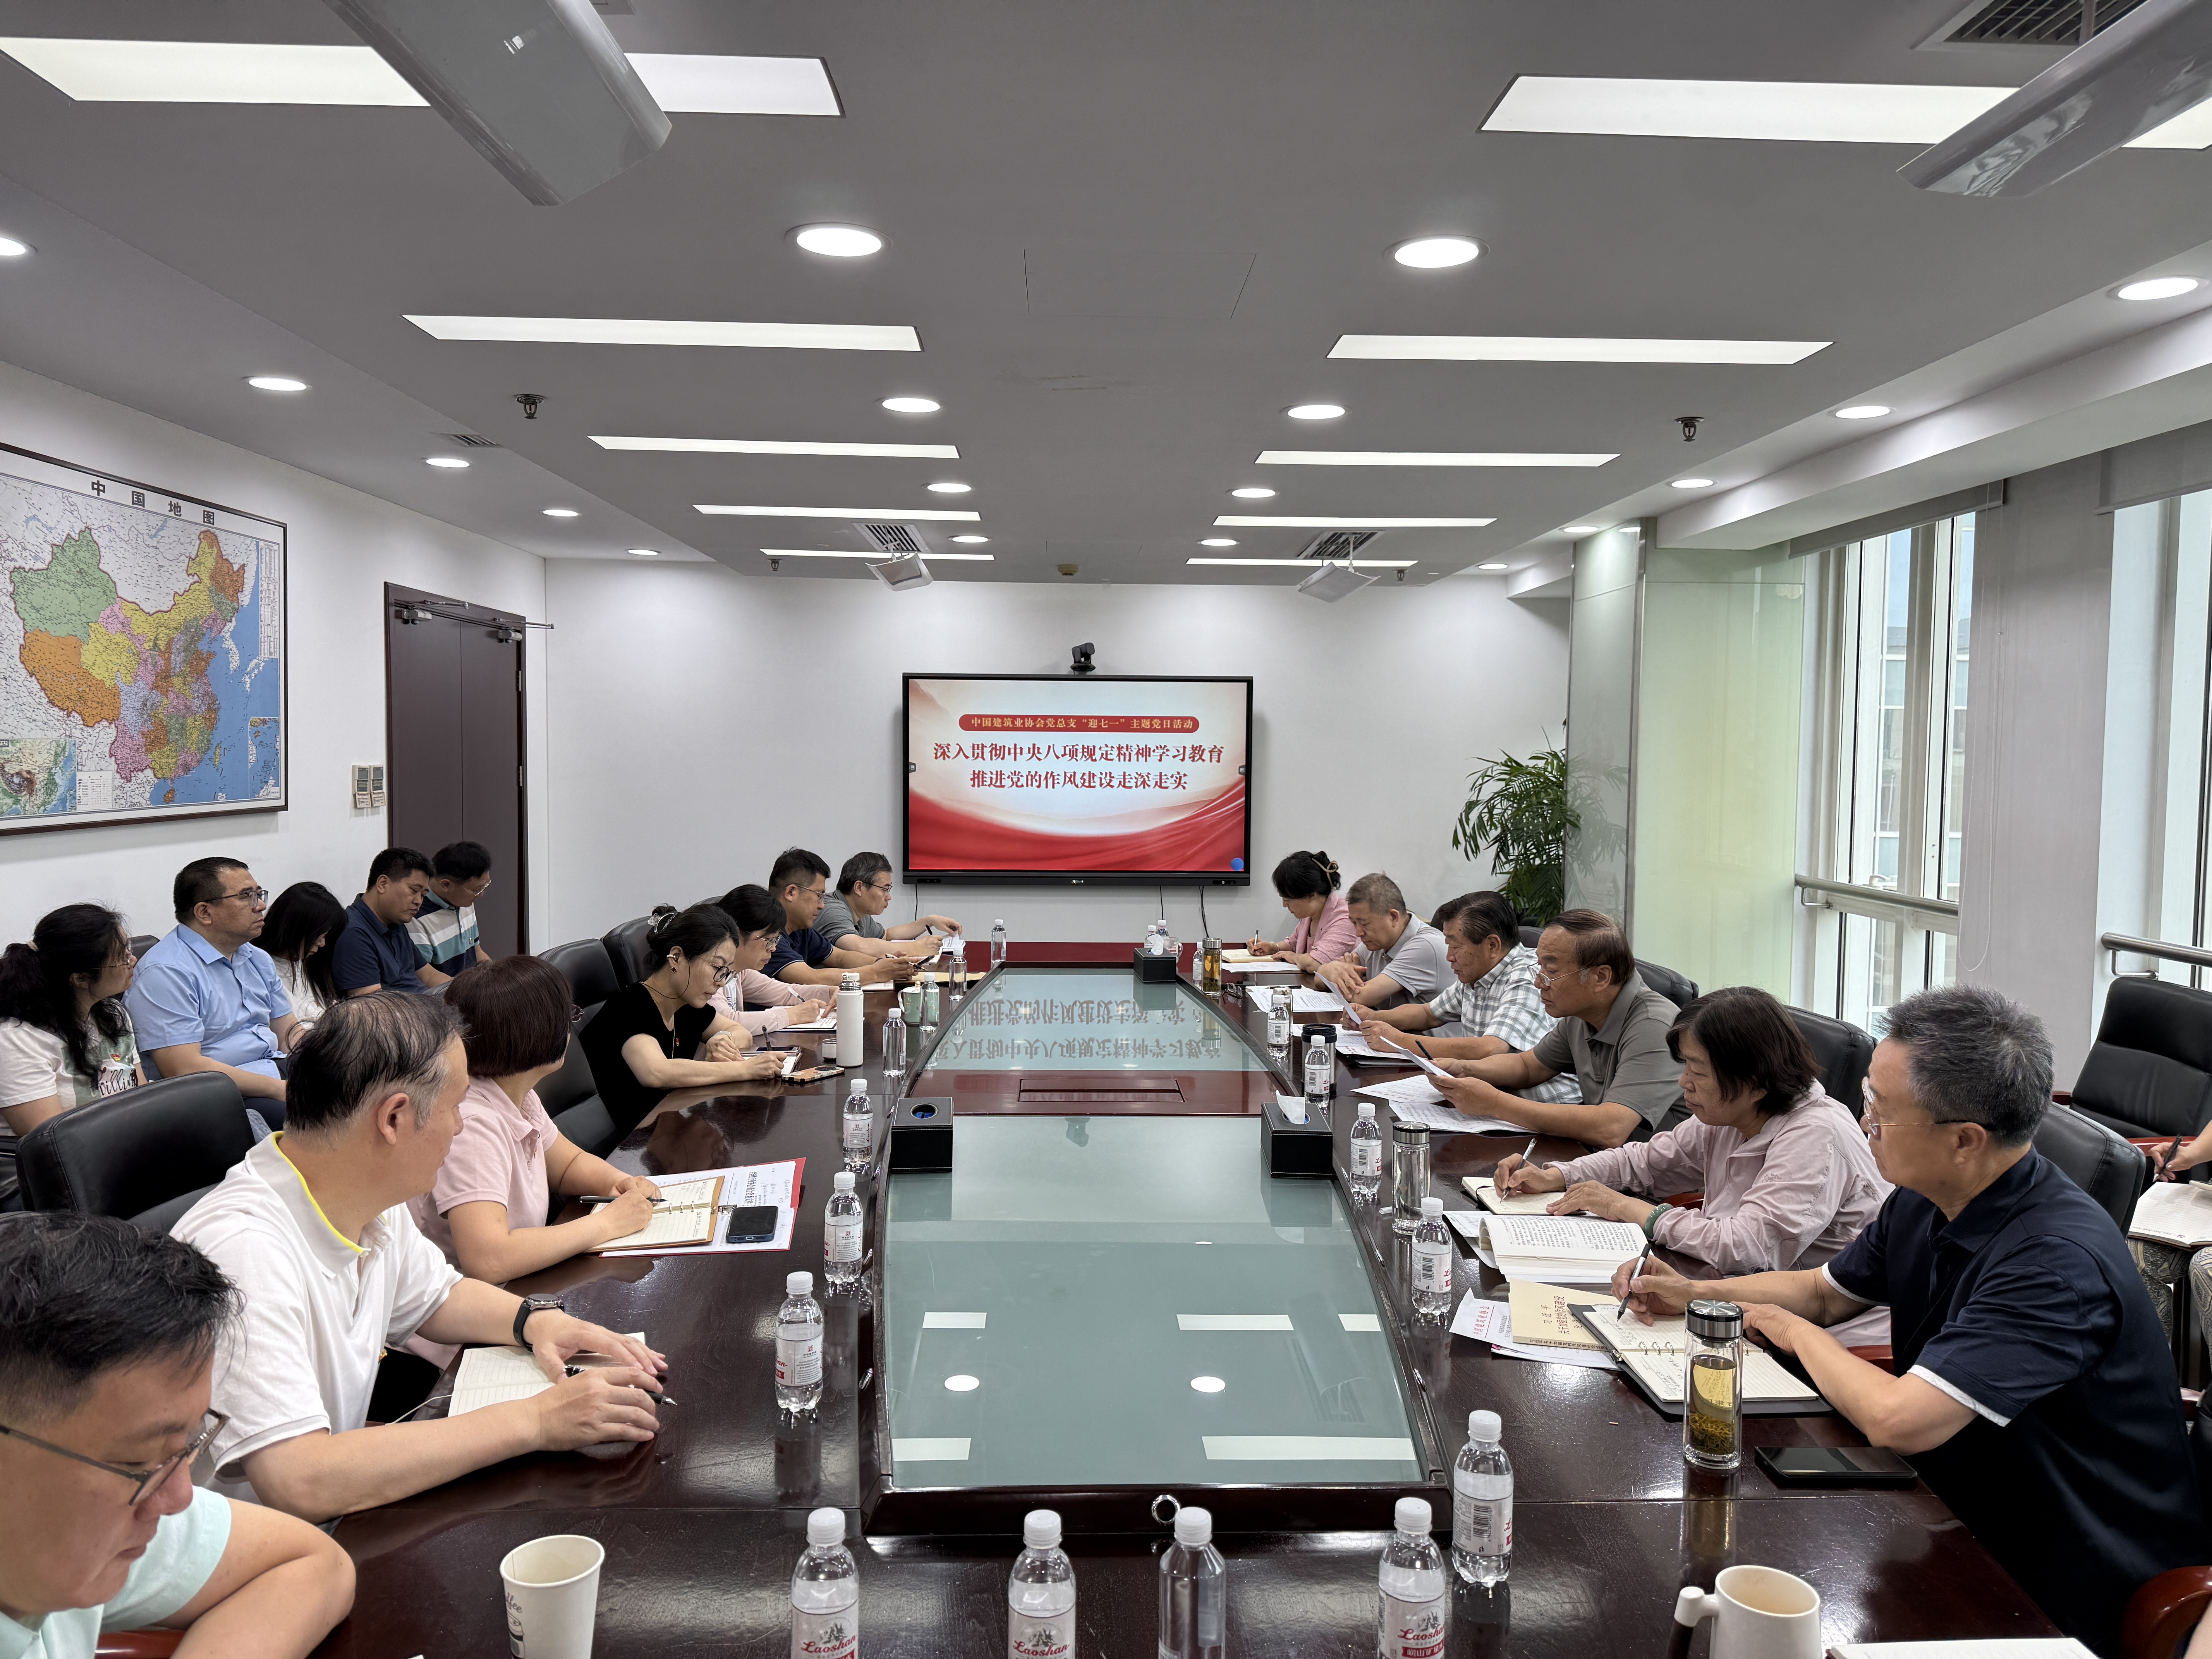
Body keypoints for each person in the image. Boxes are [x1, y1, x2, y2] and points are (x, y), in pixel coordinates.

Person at [1619, 986, 2210, 1656]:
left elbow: (1899, 1418)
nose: (1862, 1119)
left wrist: (1790, 1330)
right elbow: (1822, 1292)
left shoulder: (2053, 1261)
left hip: (2063, 1572)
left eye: (1880, 1109)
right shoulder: (1929, 1196)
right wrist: (1697, 1292)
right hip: (1948, 1505)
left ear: (1964, 1139)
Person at [172, 993, 666, 1522]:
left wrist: (535, 1321)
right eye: (456, 1107)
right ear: (394, 1118)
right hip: (251, 1546)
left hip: (333, 1513)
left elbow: (438, 1298)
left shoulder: (367, 1196)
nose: (460, 1127)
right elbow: (300, 1479)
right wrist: (536, 1422)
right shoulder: (244, 1251)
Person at [0, 1211, 355, 1657]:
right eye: (136, 1461)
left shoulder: (65, 1531)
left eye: (185, 1447)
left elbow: (313, 1561)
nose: (180, 1498)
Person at [1495, 986, 1889, 1288]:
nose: (1684, 1082)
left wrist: (1633, 1210)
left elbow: (1745, 1249)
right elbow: (1644, 1162)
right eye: (1685, 1066)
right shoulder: (1732, 1112)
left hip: (1820, 1330)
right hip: (1733, 1292)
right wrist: (1557, 1176)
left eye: (1697, 1071)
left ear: (1755, 1082)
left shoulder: (1817, 1136)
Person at [407, 957, 663, 1279]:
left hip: (523, 1277)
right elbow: (488, 1260)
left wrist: (619, 1182)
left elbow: (567, 1165)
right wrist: (607, 1224)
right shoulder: (470, 1123)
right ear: (537, 1034)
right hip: (476, 1296)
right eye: (568, 1016)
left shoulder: (518, 1094)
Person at [1429, 908, 1685, 1147]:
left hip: (1657, 1177)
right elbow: (1529, 1066)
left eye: (1551, 971)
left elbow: (1611, 1128)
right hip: (1602, 1160)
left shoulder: (1655, 1026)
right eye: (1539, 966)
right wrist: (1465, 1068)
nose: (1539, 983)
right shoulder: (1583, 1013)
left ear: (1600, 977)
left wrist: (1494, 1103)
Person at [580, 904, 788, 1136]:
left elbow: (742, 1033)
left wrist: (721, 1039)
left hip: (667, 1128)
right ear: (677, 957)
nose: (721, 982)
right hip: (624, 1145)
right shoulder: (629, 1007)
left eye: (727, 972)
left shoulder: (686, 1005)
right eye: (717, 967)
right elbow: (657, 1073)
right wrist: (745, 1069)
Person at [1358, 891, 1577, 1104]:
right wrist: (1372, 1017)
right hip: (1492, 1099)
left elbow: (1492, 1048)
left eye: (1456, 947)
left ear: (1492, 946)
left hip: (1544, 1109)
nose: (1449, 957)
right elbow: (1428, 1014)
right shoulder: (1477, 973)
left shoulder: (1526, 976)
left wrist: (1398, 1041)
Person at [125, 859, 297, 1119]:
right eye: (246, 897)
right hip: (218, 1096)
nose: (261, 906)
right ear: (205, 913)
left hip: (276, 1071)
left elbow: (288, 1034)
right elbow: (184, 1069)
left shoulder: (256, 958)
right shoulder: (165, 972)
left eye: (259, 894)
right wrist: (280, 1089)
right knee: (320, 1118)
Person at [0, 906, 145, 1207]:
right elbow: (51, 1142)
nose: (133, 961)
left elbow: (141, 1094)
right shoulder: (17, 1039)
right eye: (121, 957)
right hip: (39, 1174)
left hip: (115, 1147)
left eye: (129, 949)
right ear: (80, 978)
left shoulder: (111, 1013)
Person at [763, 848, 916, 988]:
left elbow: (840, 957)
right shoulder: (767, 932)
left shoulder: (801, 930)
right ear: (791, 893)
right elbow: (810, 977)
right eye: (819, 896)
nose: (822, 905)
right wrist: (877, 972)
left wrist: (882, 963)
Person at [1310, 872, 1453, 1011]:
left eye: (1365, 924)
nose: (1359, 933)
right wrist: (1332, 969)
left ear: (1393, 917)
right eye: (1354, 923)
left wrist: (1343, 980)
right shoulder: (1377, 942)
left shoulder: (1425, 945)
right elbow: (1319, 980)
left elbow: (1363, 997)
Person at [714, 885, 835, 1032]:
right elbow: (727, 1022)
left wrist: (830, 992)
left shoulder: (739, 972)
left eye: (776, 940)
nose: (773, 948)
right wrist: (793, 1015)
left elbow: (785, 993)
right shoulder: (710, 972)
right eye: (769, 940)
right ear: (737, 933)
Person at [814, 853, 960, 961]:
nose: (889, 897)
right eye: (884, 889)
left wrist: (929, 921)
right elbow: (858, 947)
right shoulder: (832, 910)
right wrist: (916, 948)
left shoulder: (859, 912)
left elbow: (887, 935)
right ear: (859, 888)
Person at [331, 848, 434, 997]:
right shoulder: (353, 933)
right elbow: (372, 1005)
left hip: (425, 1004)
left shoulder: (396, 924)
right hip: (403, 1010)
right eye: (414, 891)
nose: (419, 901)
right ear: (383, 884)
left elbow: (430, 976)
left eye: (423, 895)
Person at [1246, 850, 1358, 972]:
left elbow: (1316, 963)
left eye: (1287, 900)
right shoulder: (1310, 914)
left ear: (1311, 896)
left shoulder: (1345, 917)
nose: (1284, 905)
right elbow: (1294, 944)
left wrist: (1295, 957)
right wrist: (1273, 948)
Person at [258, 883, 345, 1036]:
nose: (322, 944)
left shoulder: (309, 963)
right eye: (319, 936)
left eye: (326, 936)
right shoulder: (261, 968)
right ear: (297, 929)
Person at [408, 841, 496, 989]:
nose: (481, 895)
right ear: (446, 885)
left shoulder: (463, 902)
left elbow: (477, 951)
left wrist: (497, 978)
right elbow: (425, 978)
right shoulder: (416, 917)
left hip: (470, 990)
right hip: (445, 996)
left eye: (485, 886)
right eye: (477, 890)